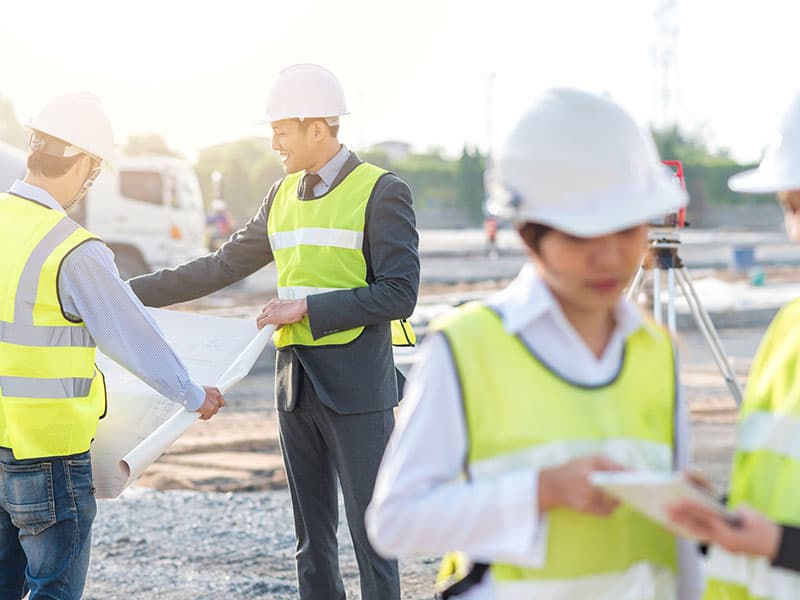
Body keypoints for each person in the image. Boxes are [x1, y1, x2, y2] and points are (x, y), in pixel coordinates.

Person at [366, 88, 701, 599]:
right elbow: (396, 523)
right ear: (528, 234)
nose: (610, 257)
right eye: (582, 236)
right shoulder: (468, 348)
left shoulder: (657, 352)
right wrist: (540, 492)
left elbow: (676, 557)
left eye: (626, 230)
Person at [128, 64, 419, 599]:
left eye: (282, 130)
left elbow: (400, 293)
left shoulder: (382, 191)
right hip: (296, 385)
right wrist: (122, 293)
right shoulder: (281, 194)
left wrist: (305, 308)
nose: (273, 142)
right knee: (311, 542)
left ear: (318, 128)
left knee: (373, 538)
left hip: (358, 387)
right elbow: (219, 267)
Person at [0, 92, 224, 600]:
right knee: (53, 588)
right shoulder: (72, 249)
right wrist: (193, 393)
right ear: (81, 163)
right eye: (93, 171)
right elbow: (134, 340)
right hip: (49, 456)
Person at [667, 91, 800, 599]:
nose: (795, 231)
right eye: (789, 207)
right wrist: (721, 516)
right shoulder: (789, 328)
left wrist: (780, 545)